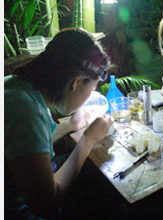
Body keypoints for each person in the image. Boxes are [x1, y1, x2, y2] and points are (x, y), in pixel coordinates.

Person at [4, 28, 114, 219]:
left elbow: (26, 149)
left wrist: (70, 125)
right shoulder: (26, 112)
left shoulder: (17, 87)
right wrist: (87, 140)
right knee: (98, 187)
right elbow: (46, 205)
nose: (89, 97)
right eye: (92, 89)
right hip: (19, 212)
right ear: (77, 82)